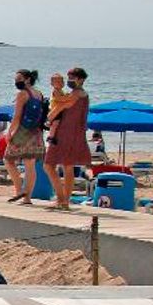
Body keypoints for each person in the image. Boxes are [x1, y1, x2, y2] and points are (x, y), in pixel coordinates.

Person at [44, 67, 91, 210]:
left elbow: (61, 106)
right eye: (69, 77)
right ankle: (63, 200)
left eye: (72, 78)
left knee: (51, 164)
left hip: (67, 133)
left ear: (81, 79)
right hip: (71, 132)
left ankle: (62, 199)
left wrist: (49, 116)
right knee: (66, 166)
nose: (70, 80)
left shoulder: (77, 94)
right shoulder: (77, 94)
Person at [4, 69, 47, 205]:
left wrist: (10, 132)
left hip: (23, 131)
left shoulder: (23, 94)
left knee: (8, 160)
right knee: (30, 165)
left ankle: (19, 190)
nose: (17, 81)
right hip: (37, 132)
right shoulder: (39, 94)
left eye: (19, 79)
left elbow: (17, 117)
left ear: (27, 79)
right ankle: (27, 197)